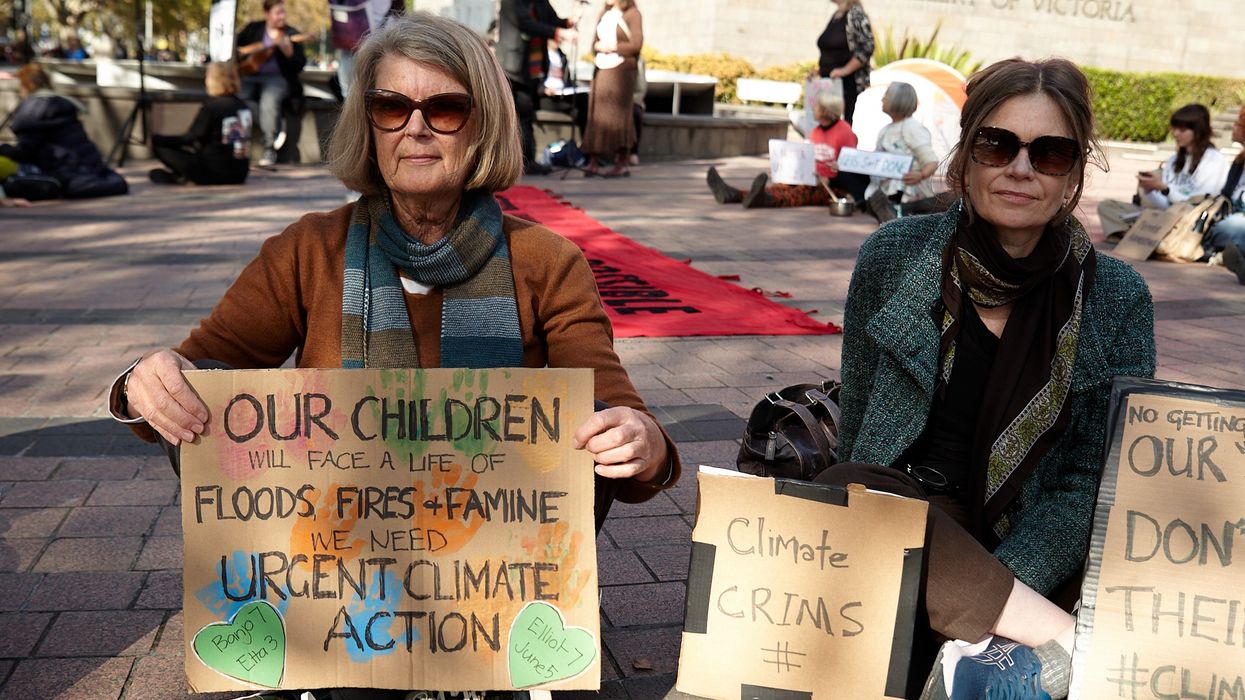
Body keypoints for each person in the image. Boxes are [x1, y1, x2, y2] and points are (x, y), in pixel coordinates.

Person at [108, 17, 680, 696]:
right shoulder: (308, 249)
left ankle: (484, 646)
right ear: (368, 125)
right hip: (337, 550)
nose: (415, 128)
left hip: (486, 549)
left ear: (482, 124)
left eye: (443, 107)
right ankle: (314, 645)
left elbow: (627, 423)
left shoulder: (546, 261)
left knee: (587, 437)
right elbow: (194, 372)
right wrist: (145, 383)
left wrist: (637, 439)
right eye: (389, 107)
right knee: (204, 410)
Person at [821, 58, 1154, 699]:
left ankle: (984, 635)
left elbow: (1092, 478)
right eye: (998, 144)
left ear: (1074, 174)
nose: (1020, 168)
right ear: (966, 157)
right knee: (850, 486)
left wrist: (993, 587)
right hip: (903, 511)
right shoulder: (893, 256)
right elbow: (859, 418)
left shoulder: (1118, 295)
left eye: (1050, 153)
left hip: (1029, 536)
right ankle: (1065, 644)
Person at [705, 90, 868, 208]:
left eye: (816, 107)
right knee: (781, 187)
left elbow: (850, 164)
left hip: (832, 186)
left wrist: (832, 175)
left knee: (799, 194)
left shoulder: (844, 130)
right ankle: (736, 195)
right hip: (810, 177)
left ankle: (764, 199)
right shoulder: (816, 131)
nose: (813, 110)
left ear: (825, 110)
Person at [1097, 103, 1228, 243]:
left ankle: (1136, 237)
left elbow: (1200, 202)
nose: (1176, 133)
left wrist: (1164, 188)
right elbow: (1164, 204)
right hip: (1164, 215)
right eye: (1175, 128)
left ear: (1198, 131)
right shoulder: (1173, 160)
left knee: (1168, 215)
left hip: (1189, 218)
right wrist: (1149, 189)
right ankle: (1149, 240)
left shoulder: (1214, 160)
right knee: (1107, 206)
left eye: (1182, 129)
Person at [0, 64, 128, 201]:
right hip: (90, 168)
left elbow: (27, 151)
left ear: (26, 85)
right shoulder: (60, 102)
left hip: (66, 171)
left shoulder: (33, 108)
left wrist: (5, 150)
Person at [497, 0, 579, 176]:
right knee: (514, 114)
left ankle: (527, 161)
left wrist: (566, 22)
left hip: (530, 68)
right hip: (512, 66)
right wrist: (559, 32)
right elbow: (525, 23)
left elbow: (549, 19)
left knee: (526, 115)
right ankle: (514, 162)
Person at [147, 61, 252, 186]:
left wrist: (156, 139)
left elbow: (190, 138)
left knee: (160, 148)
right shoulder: (243, 106)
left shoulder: (212, 106)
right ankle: (182, 177)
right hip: (239, 173)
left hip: (212, 170)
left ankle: (182, 177)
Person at [236, 0, 306, 168]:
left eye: (283, 12)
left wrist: (289, 55)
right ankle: (239, 145)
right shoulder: (253, 29)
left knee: (269, 99)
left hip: (279, 79)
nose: (282, 17)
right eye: (278, 13)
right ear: (267, 14)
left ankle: (269, 147)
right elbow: (237, 49)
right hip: (250, 76)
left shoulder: (291, 33)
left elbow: (299, 65)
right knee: (238, 100)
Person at [865, 81, 944, 223]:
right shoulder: (886, 130)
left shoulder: (912, 128)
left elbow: (931, 161)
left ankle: (895, 215)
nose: (882, 99)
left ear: (899, 99)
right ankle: (889, 214)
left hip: (908, 194)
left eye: (886, 95)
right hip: (886, 190)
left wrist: (920, 175)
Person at [581, 0, 642, 178]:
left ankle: (622, 160)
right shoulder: (603, 14)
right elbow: (594, 43)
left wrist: (613, 47)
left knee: (619, 115)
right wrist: (597, 47)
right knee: (596, 114)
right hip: (602, 67)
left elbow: (636, 44)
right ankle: (593, 159)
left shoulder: (632, 14)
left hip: (621, 71)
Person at [814, 0, 873, 124]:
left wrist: (845, 70)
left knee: (842, 127)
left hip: (847, 86)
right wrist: (818, 71)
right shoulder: (837, 14)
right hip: (829, 84)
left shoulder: (855, 14)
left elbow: (867, 46)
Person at [1205, 107, 1245, 285]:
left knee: (1235, 226)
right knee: (1230, 226)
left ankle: (1223, 255)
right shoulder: (1239, 161)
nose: (1233, 127)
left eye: (1238, 124)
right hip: (1230, 217)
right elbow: (1225, 196)